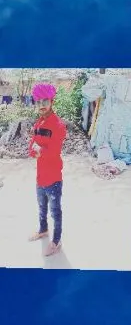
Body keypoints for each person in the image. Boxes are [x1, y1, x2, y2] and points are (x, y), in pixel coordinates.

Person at [28, 83, 67, 257]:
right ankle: (43, 230)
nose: (41, 104)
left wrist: (39, 151)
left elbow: (54, 151)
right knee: (41, 208)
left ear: (52, 101)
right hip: (40, 177)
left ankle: (56, 241)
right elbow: (32, 142)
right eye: (38, 101)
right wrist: (32, 150)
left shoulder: (58, 125)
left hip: (53, 179)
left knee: (55, 211)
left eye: (45, 101)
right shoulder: (38, 123)